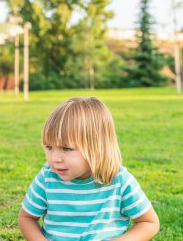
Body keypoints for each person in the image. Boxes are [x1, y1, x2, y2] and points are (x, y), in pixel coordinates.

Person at [18, 97, 159, 241]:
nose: (55, 158)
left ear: (97, 148)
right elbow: (26, 218)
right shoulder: (47, 178)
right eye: (49, 147)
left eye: (66, 148)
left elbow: (149, 222)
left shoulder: (120, 181)